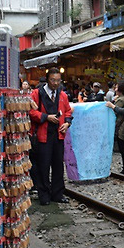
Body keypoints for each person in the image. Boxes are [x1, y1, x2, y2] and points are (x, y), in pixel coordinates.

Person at [30, 68, 73, 205]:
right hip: (43, 134)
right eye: (53, 80)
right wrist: (45, 117)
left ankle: (57, 193)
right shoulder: (37, 93)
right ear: (47, 79)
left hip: (58, 134)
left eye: (58, 80)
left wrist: (67, 123)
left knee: (58, 165)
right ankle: (44, 194)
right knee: (43, 165)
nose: (55, 83)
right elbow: (31, 111)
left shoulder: (63, 95)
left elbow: (67, 111)